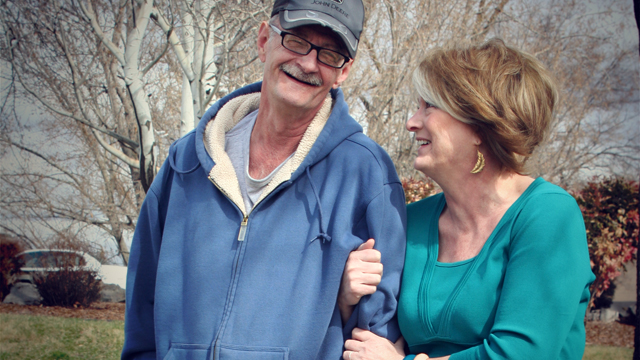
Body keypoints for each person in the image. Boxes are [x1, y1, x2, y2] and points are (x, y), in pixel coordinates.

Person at [121, 1, 407, 359]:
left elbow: (374, 333)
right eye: (297, 40)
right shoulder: (186, 163)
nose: (307, 63)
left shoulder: (366, 172)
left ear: (344, 71)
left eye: (329, 54)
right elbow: (143, 305)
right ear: (263, 40)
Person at [341, 39, 595, 360]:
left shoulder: (548, 215)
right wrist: (346, 297)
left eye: (428, 106)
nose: (412, 122)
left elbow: (521, 353)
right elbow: (370, 335)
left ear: (479, 126)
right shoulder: (411, 220)